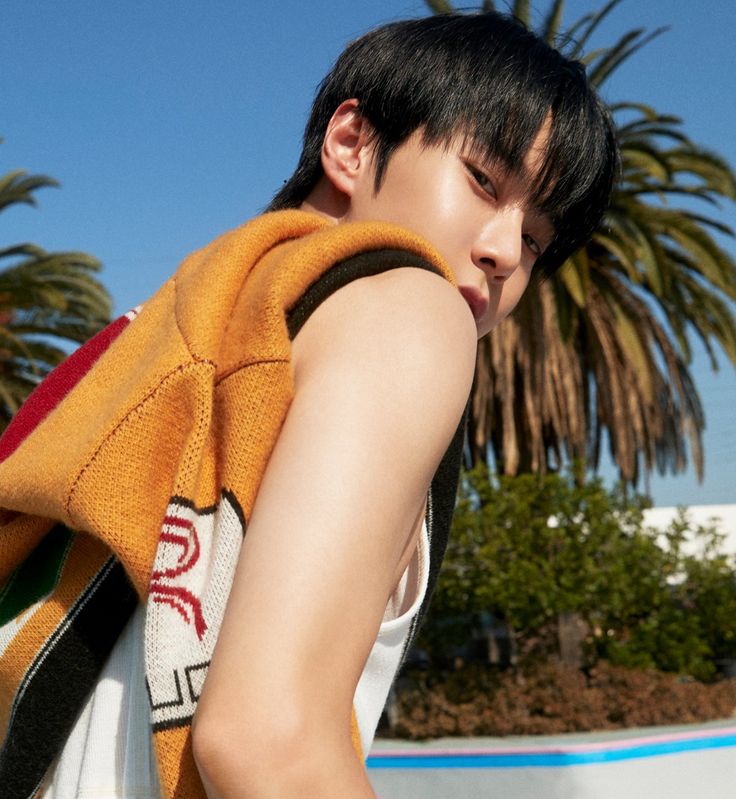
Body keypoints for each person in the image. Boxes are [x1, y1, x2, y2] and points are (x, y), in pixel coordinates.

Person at [0, 10, 617, 799]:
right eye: (483, 181)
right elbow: (269, 738)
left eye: (534, 238)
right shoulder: (410, 306)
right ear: (352, 143)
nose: (502, 252)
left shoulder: (166, 339)